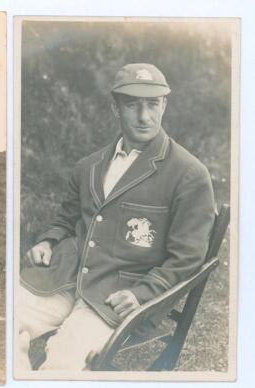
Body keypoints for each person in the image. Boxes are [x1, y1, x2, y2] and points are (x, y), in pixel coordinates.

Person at [18, 63, 216, 371]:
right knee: (4, 328)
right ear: (115, 107)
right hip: (65, 277)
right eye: (133, 105)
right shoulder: (89, 165)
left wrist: (142, 294)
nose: (144, 116)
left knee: (62, 363)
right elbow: (66, 218)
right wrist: (48, 240)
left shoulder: (189, 174)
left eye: (152, 104)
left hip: (117, 297)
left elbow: (187, 257)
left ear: (164, 105)